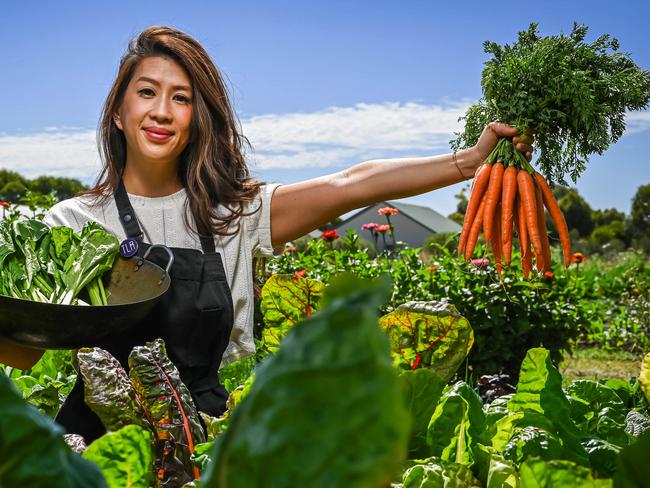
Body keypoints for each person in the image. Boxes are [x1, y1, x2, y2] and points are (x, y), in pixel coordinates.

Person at [0, 26, 533, 441]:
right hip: (96, 440)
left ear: (197, 118)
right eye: (147, 93)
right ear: (119, 112)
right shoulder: (72, 225)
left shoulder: (235, 214)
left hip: (206, 435)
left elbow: (352, 184)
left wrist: (467, 162)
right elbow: (24, 351)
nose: (162, 111)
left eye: (182, 98)